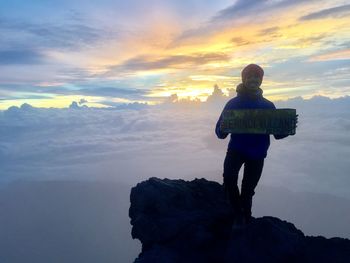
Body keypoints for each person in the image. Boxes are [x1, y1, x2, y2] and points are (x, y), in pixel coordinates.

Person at [215, 64, 297, 225]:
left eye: (256, 76)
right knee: (229, 179)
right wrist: (223, 128)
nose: (253, 79)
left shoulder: (268, 105)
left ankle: (245, 218)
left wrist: (289, 126)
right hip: (236, 150)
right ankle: (236, 212)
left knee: (248, 189)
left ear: (261, 80)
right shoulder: (233, 104)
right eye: (249, 76)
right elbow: (219, 132)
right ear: (244, 79)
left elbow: (278, 135)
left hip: (257, 154)